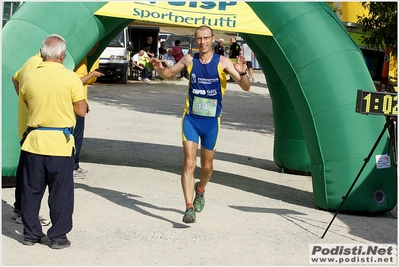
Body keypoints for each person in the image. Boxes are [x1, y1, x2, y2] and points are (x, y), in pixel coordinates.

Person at [151, 25, 250, 224]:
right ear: (195, 40)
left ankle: (201, 189)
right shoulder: (189, 59)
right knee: (189, 162)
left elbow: (245, 87)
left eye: (206, 38)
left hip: (211, 122)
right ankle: (189, 207)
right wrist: (160, 69)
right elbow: (169, 73)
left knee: (206, 166)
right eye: (199, 39)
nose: (203, 42)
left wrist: (244, 71)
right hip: (191, 118)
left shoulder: (222, 62)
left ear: (213, 38)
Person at [19, 34, 87, 249]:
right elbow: (81, 110)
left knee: (31, 191)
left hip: (34, 141)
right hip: (61, 142)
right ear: (62, 55)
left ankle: (31, 234)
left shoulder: (29, 77)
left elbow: (26, 99)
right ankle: (58, 236)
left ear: (42, 54)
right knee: (61, 193)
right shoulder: (71, 78)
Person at [11, 52, 50, 227]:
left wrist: (24, 99)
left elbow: (15, 78)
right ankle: (24, 211)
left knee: (24, 169)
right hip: (34, 127)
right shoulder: (40, 64)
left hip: (28, 125)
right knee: (31, 175)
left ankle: (19, 208)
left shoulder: (30, 60)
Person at [73, 43, 104, 179]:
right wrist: (93, 74)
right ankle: (73, 166)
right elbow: (77, 81)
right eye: (95, 46)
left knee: (78, 136)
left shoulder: (83, 59)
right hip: (75, 104)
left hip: (80, 102)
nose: (96, 49)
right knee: (76, 136)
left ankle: (75, 164)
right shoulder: (80, 61)